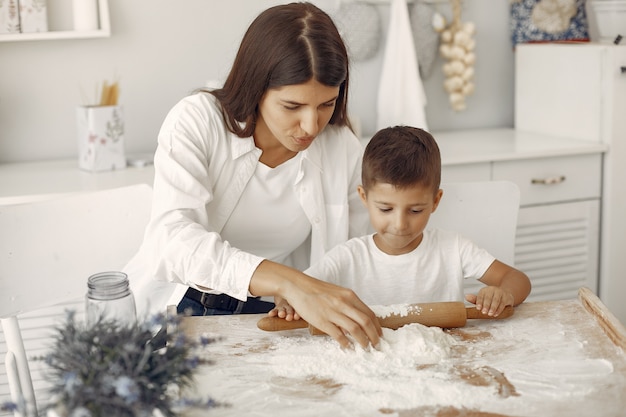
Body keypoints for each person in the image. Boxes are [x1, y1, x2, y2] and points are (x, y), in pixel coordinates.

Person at [124, 2, 382, 349]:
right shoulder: (197, 120)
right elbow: (172, 242)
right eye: (292, 106)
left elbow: (351, 253)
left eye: (326, 104)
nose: (311, 126)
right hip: (181, 303)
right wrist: (289, 283)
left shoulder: (341, 148)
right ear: (256, 86)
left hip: (272, 315)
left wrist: (304, 289)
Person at [271, 126, 531, 321]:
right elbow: (292, 288)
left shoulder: (454, 248)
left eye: (416, 210)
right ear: (364, 197)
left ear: (436, 200)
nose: (400, 224)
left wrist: (503, 294)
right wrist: (287, 302)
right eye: (385, 208)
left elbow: (516, 279)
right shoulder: (349, 256)